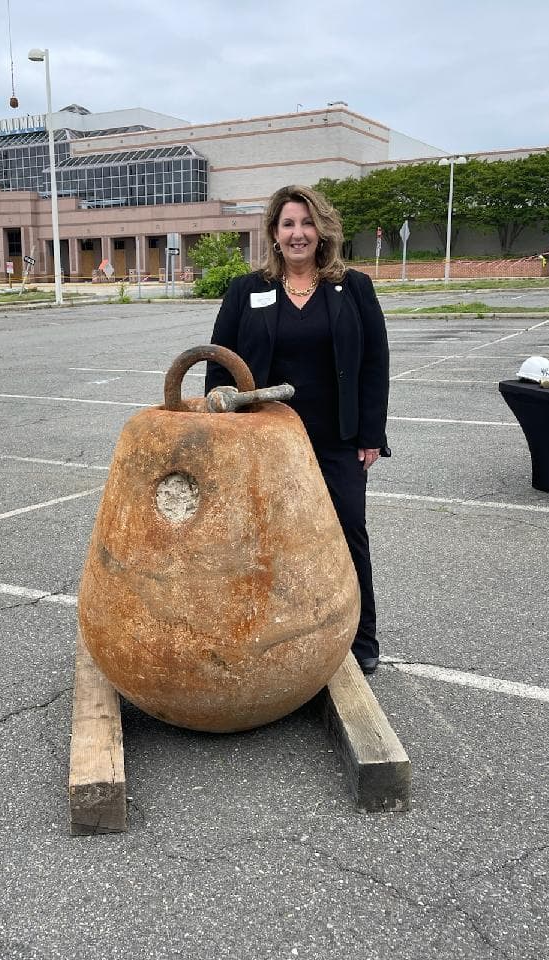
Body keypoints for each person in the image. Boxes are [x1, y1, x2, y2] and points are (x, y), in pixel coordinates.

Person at [205, 184, 390, 675]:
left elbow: (374, 363)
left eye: (306, 223)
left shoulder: (353, 287)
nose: (298, 233)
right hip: (267, 442)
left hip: (337, 439)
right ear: (274, 233)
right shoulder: (247, 290)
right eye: (288, 224)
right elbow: (219, 363)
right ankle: (270, 634)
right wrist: (222, 420)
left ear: (322, 230)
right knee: (262, 540)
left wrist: (371, 433)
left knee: (348, 532)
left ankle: (361, 637)